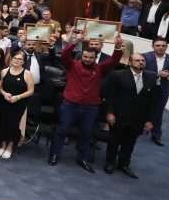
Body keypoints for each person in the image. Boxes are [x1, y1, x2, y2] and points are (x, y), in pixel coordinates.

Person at [49, 33, 123, 172]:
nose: (87, 60)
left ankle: (82, 158)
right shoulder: (72, 65)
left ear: (96, 59)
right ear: (81, 56)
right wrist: (75, 42)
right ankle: (54, 154)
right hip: (71, 104)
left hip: (91, 107)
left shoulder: (99, 68)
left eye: (91, 58)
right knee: (62, 130)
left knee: (86, 133)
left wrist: (118, 48)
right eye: (85, 57)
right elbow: (65, 54)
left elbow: (113, 61)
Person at [104, 53, 158, 178]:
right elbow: (110, 96)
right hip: (119, 116)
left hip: (138, 118)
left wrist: (151, 120)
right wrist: (109, 113)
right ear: (130, 62)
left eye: (143, 61)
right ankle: (110, 163)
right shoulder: (118, 75)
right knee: (114, 141)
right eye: (137, 60)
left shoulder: (151, 79)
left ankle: (123, 164)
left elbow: (153, 102)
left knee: (130, 143)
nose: (141, 63)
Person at [0, 51, 35, 159]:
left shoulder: (27, 74)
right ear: (11, 59)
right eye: (15, 58)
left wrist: (18, 97)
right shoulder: (4, 71)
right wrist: (4, 93)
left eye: (19, 59)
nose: (16, 60)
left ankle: (10, 146)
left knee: (14, 125)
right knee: (3, 123)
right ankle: (3, 145)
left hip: (19, 104)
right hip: (4, 102)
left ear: (23, 62)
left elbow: (30, 91)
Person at [142, 39, 169, 146]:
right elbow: (142, 70)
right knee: (142, 108)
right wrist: (158, 74)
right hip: (147, 87)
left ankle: (156, 135)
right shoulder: (145, 57)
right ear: (153, 46)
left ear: (166, 47)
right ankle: (139, 128)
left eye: (163, 45)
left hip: (163, 88)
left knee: (159, 112)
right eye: (158, 45)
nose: (160, 47)